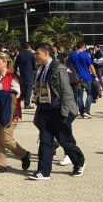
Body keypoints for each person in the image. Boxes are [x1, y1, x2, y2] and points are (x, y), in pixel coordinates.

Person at [28, 44, 85, 180]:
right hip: (45, 110)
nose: (35, 56)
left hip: (58, 110)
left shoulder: (58, 69)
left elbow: (66, 92)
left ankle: (79, 162)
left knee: (65, 141)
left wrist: (64, 114)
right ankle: (43, 171)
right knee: (45, 141)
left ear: (46, 53)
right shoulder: (40, 69)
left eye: (37, 53)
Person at [0, 53, 31, 174]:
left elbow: (16, 94)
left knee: (6, 140)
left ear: (5, 63)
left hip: (9, 113)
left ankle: (24, 155)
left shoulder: (13, 77)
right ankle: (0, 164)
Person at [67, 41, 96, 119]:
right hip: (87, 77)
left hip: (77, 78)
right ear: (83, 46)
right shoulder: (86, 55)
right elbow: (92, 67)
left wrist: (74, 72)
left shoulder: (72, 54)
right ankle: (86, 111)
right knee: (90, 93)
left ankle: (82, 112)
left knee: (79, 96)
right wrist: (96, 76)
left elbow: (69, 65)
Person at [15, 42, 36, 109]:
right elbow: (34, 64)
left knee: (23, 88)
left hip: (22, 73)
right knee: (29, 89)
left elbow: (16, 65)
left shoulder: (19, 55)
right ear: (29, 47)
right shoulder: (31, 54)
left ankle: (23, 100)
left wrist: (15, 72)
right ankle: (27, 104)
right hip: (30, 73)